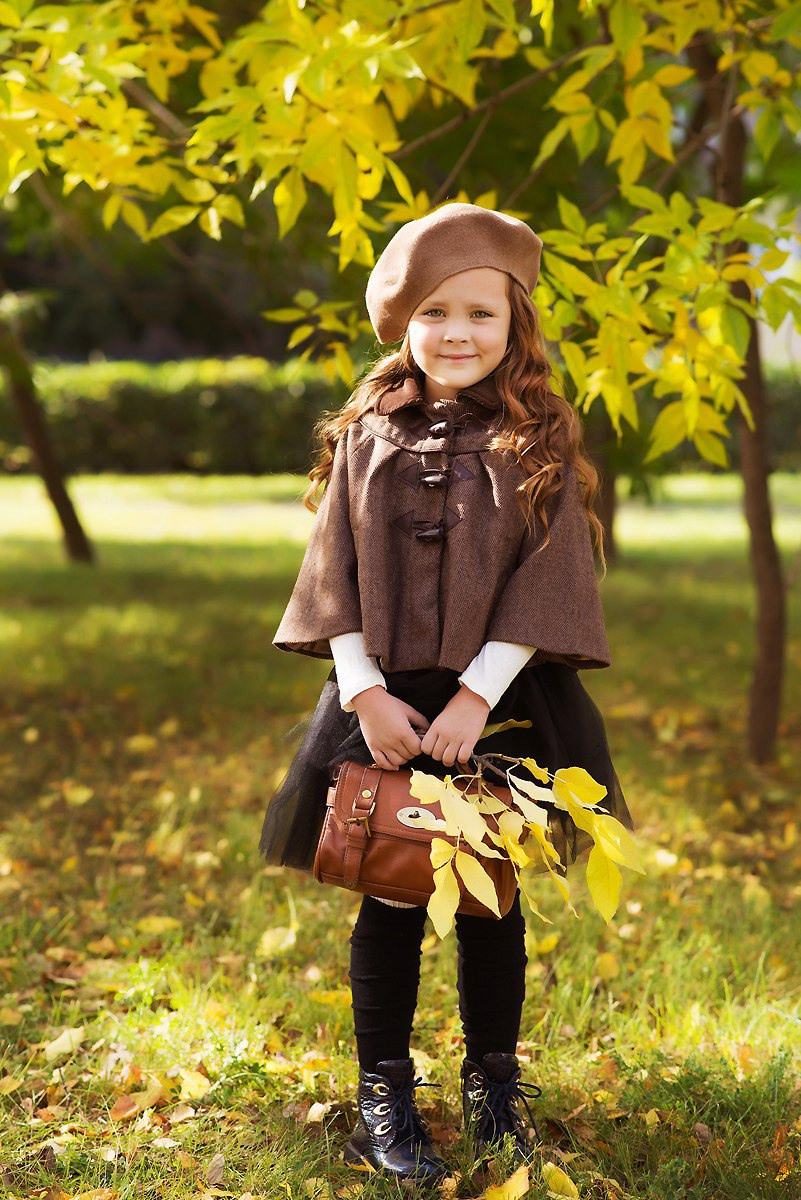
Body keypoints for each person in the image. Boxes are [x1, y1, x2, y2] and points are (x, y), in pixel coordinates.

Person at [259, 202, 633, 1184]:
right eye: (434, 312)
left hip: (500, 708)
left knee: (489, 903)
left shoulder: (539, 436)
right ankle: (382, 1095)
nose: (456, 332)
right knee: (388, 896)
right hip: (380, 705)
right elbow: (332, 570)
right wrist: (364, 694)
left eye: (478, 313)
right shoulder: (366, 432)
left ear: (515, 328)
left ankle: (493, 1086)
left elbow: (548, 580)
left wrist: (475, 696)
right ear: (401, 321)